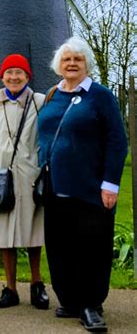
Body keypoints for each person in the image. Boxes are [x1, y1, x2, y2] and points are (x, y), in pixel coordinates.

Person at [37, 37, 127, 333]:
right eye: (66, 59)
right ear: (58, 65)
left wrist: (111, 183)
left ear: (87, 64)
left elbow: (117, 140)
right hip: (56, 185)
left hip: (90, 187)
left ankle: (91, 305)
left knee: (92, 247)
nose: (72, 64)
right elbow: (45, 133)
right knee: (61, 245)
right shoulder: (53, 94)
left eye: (77, 59)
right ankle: (71, 299)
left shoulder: (100, 96)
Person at [0, 54, 49, 310]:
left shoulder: (40, 102)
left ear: (28, 76)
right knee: (5, 234)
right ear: (2, 76)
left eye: (19, 73)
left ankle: (37, 285)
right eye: (9, 73)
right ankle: (10, 288)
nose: (14, 77)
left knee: (33, 231)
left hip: (29, 176)